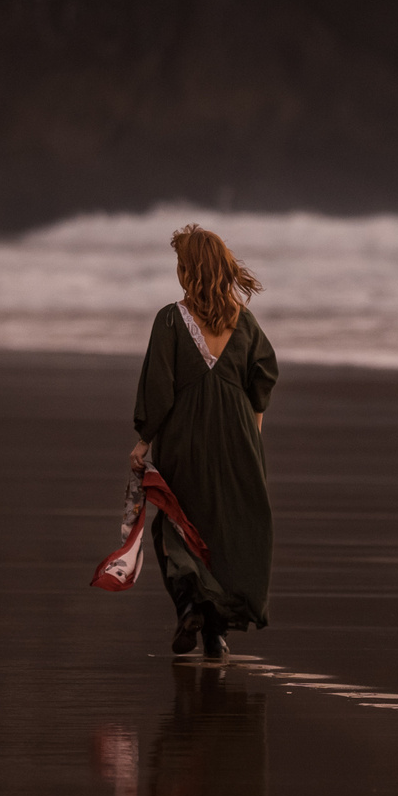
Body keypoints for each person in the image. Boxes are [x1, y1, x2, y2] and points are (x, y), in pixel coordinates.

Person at [128, 224, 278, 663]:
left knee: (177, 525)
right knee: (226, 533)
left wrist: (143, 441)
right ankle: (215, 634)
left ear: (189, 271)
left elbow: (159, 388)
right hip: (238, 441)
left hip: (185, 440)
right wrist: (253, 441)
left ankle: (191, 608)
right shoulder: (246, 323)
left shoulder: (171, 319)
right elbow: (262, 385)